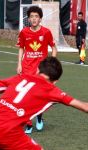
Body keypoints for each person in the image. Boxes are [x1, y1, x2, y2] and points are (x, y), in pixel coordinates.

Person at [16, 6, 57, 134]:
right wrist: (19, 64)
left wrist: (51, 63)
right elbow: (21, 48)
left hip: (41, 70)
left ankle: (39, 116)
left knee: (39, 96)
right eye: (31, 16)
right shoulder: (24, 32)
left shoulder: (46, 32)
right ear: (28, 18)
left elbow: (54, 48)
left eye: (36, 16)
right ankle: (28, 124)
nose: (34, 19)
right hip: (27, 68)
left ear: (40, 18)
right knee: (26, 96)